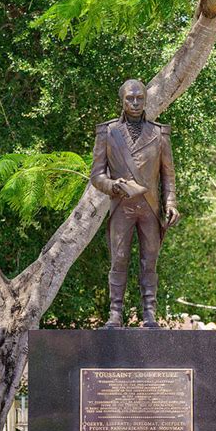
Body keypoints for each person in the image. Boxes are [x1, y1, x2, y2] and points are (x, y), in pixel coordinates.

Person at [90, 79, 180, 328]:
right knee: (118, 259)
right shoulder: (107, 133)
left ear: (146, 99)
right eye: (130, 98)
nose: (135, 102)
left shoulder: (159, 133)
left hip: (150, 207)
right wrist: (113, 185)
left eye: (140, 97)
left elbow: (167, 174)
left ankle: (149, 312)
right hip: (121, 206)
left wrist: (170, 202)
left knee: (149, 260)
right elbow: (96, 175)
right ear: (122, 100)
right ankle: (115, 313)